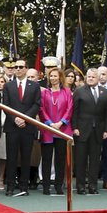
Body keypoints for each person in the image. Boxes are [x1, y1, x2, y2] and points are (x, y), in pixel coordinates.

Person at [3, 59, 41, 196]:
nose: (17, 69)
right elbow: (5, 105)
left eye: (20, 67)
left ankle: (24, 186)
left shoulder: (34, 86)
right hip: (12, 126)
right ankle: (10, 186)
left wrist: (25, 118)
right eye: (15, 67)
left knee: (26, 157)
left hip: (28, 126)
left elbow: (37, 104)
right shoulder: (9, 86)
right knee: (11, 157)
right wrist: (15, 119)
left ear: (26, 68)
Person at [72, 68, 107, 195]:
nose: (90, 78)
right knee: (81, 159)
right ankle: (81, 186)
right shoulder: (79, 91)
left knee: (95, 160)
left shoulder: (105, 92)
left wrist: (106, 130)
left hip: (98, 131)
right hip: (82, 130)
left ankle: (93, 186)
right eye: (88, 76)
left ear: (98, 78)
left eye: (93, 77)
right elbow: (75, 112)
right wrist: (75, 128)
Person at [39, 67, 73, 195]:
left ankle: (59, 185)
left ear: (60, 77)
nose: (53, 78)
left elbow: (69, 109)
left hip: (63, 129)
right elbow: (41, 109)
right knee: (46, 158)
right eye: (51, 76)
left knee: (60, 159)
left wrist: (60, 123)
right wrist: (50, 123)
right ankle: (46, 186)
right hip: (48, 129)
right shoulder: (44, 93)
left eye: (55, 76)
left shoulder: (67, 92)